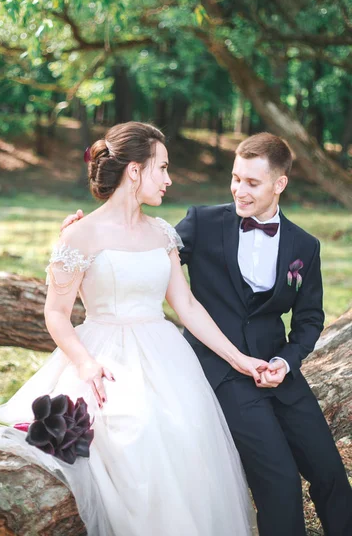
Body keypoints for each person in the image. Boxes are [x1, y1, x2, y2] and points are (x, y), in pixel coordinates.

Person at [0, 122, 268, 536]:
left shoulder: (162, 233)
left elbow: (185, 304)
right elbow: (56, 313)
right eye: (162, 168)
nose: (169, 179)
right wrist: (84, 364)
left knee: (187, 433)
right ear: (134, 171)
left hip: (166, 357)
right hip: (103, 357)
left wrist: (238, 358)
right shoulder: (79, 235)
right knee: (133, 434)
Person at [66, 131, 352, 536]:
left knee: (331, 476)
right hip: (222, 371)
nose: (239, 190)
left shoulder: (305, 246)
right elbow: (141, 258)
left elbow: (309, 319)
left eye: (252, 182)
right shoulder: (202, 222)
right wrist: (86, 237)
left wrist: (286, 362)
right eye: (235, 178)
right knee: (280, 481)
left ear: (279, 184)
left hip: (279, 370)